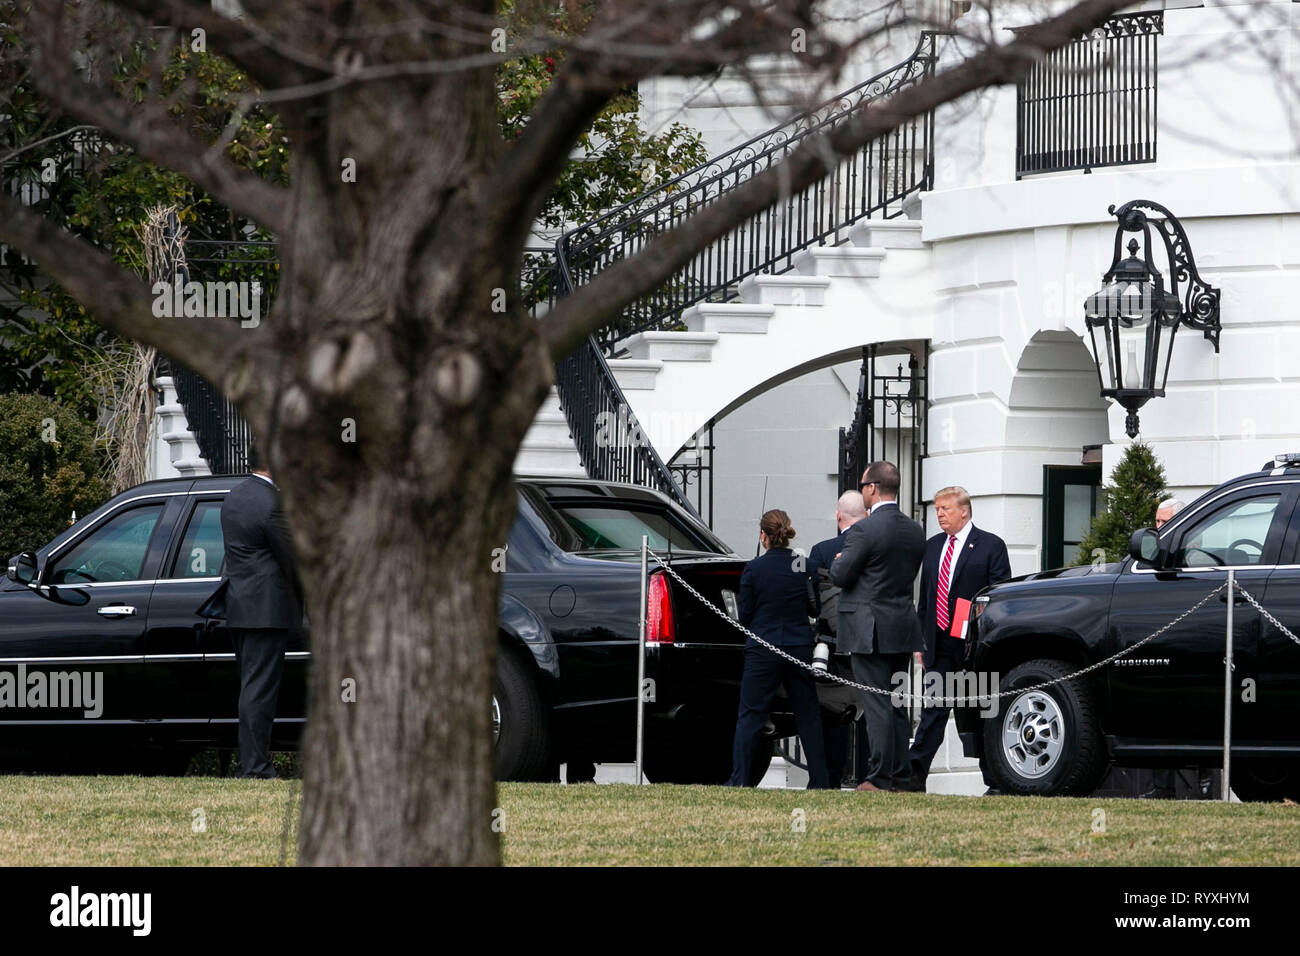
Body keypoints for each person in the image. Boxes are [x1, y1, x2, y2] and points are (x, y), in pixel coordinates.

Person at [908, 486, 1011, 792]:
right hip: (937, 643)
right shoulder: (932, 546)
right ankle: (913, 777)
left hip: (973, 646)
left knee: (979, 715)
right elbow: (925, 598)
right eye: (937, 509)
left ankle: (995, 782)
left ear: (964, 511)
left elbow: (999, 595)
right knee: (933, 712)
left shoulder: (990, 545)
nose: (939, 513)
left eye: (945, 508)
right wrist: (919, 641)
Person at [830, 461, 926, 792]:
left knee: (877, 704)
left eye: (863, 486)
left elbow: (840, 575)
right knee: (898, 702)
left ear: (872, 488)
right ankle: (900, 776)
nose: (862, 492)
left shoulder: (864, 530)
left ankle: (879, 777)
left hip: (869, 628)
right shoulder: (915, 530)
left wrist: (838, 561)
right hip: (901, 625)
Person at [726, 509, 830, 789]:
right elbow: (815, 608)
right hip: (798, 646)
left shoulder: (754, 568)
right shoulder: (803, 565)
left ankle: (740, 780)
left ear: (763, 536)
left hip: (763, 646)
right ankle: (820, 780)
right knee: (808, 714)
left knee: (750, 714)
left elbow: (745, 616)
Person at [219, 447, 303, 779]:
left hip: (241, 605)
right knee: (260, 691)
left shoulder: (234, 497)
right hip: (267, 609)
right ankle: (254, 767)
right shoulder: (272, 504)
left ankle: (251, 763)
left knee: (251, 687)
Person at [1144, 497, 1207, 799]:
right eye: (1156, 522)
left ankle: (1193, 791)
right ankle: (1161, 787)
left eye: (1164, 522)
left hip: (1190, 649)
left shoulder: (1195, 558)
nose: (1158, 528)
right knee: (1157, 715)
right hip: (1160, 644)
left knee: (1187, 720)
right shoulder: (1152, 555)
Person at [808, 490, 870, 787]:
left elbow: (813, 599)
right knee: (872, 712)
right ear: (867, 514)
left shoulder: (821, 550)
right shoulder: (876, 546)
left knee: (833, 712)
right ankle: (871, 777)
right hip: (870, 638)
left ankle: (830, 777)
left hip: (832, 642)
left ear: (838, 516)